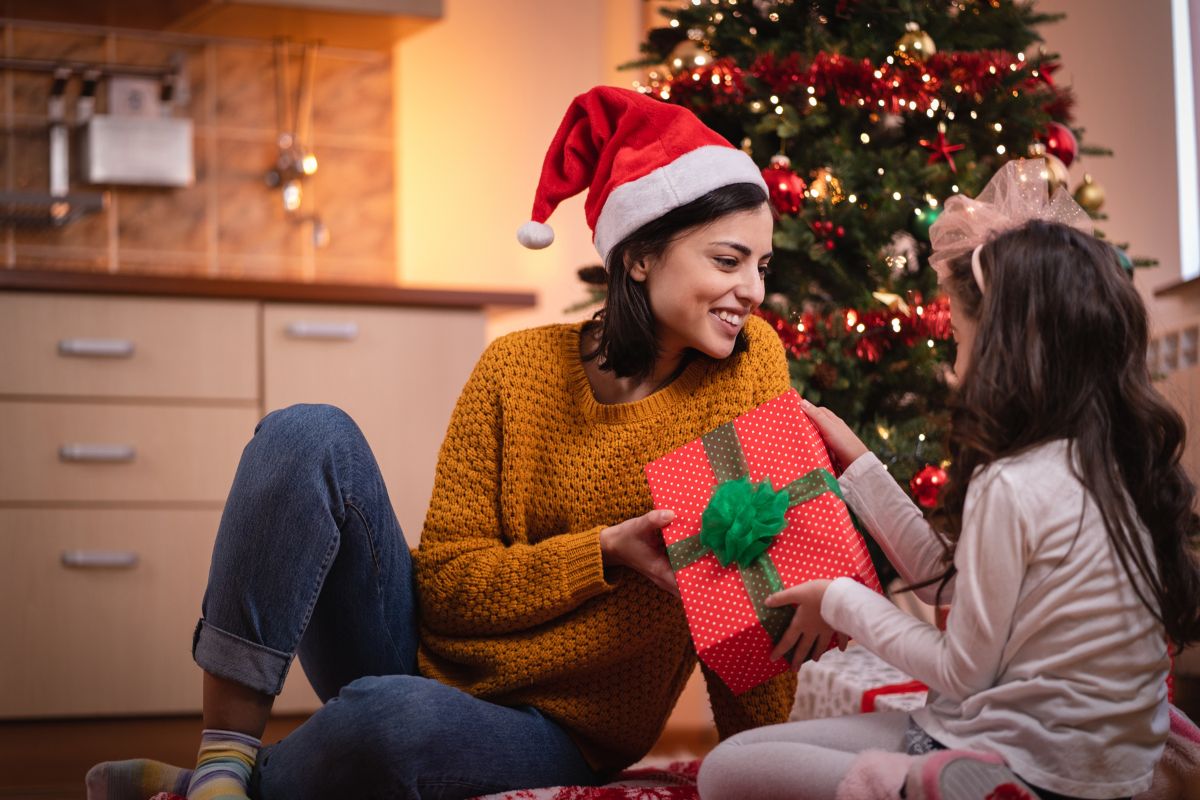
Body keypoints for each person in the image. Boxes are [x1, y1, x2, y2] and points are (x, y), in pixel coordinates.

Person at [85, 85, 799, 800]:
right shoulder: (515, 368)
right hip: (420, 652)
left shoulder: (746, 368)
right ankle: (223, 758)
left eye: (763, 267)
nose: (753, 291)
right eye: (729, 260)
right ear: (641, 256)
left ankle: (203, 791)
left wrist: (765, 767)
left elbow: (753, 592)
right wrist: (600, 554)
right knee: (307, 433)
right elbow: (449, 592)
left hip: (562, 734)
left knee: (389, 721)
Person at [697, 159, 1200, 800]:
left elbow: (960, 670)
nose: (956, 367)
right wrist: (858, 463)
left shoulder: (1011, 483)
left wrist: (839, 599)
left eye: (959, 341)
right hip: (1107, 770)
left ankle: (921, 787)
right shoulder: (1109, 465)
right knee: (759, 758)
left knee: (726, 770)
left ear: (1005, 350)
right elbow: (957, 587)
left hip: (1009, 754)